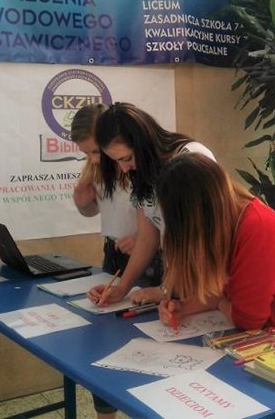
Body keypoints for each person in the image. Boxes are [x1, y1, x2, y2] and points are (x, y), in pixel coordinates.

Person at [156, 153, 275, 345]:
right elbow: (223, 291)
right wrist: (184, 307)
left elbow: (248, 320)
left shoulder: (259, 229)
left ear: (195, 218)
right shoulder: (229, 222)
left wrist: (219, 302)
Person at [71, 104, 163, 419]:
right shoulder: (100, 166)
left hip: (147, 257)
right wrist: (82, 201)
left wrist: (144, 239)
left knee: (147, 344)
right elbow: (92, 209)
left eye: (97, 151)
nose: (95, 159)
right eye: (88, 154)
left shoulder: (136, 164)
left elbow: (158, 221)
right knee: (105, 342)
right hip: (113, 254)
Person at [86, 102, 215, 307]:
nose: (124, 168)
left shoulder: (190, 159)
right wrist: (122, 288)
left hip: (205, 280)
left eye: (127, 158)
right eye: (117, 161)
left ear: (142, 143)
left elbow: (194, 236)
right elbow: (147, 235)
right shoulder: (141, 170)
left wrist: (165, 289)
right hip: (178, 278)